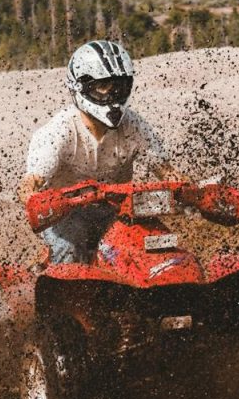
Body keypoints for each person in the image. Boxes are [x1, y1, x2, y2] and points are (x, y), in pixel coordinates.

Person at [18, 40, 178, 264]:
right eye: (104, 86)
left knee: (159, 242)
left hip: (119, 210)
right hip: (65, 216)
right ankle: (57, 282)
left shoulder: (134, 125)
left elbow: (168, 173)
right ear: (81, 87)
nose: (113, 94)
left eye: (119, 86)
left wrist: (195, 192)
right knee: (68, 247)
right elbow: (30, 184)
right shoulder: (58, 132)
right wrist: (36, 201)